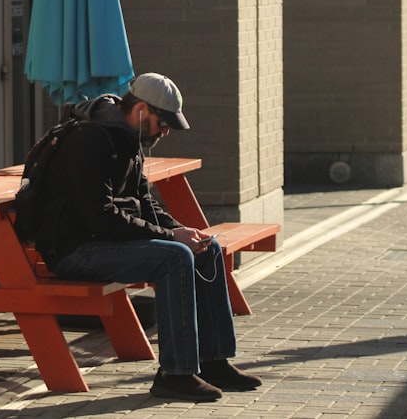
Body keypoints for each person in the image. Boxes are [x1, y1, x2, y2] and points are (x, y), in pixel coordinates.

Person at [32, 73, 260, 403]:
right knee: (174, 258)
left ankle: (213, 361)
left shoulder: (130, 140)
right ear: (140, 110)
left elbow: (145, 202)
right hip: (76, 250)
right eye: (162, 123)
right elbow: (102, 216)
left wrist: (183, 231)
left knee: (205, 249)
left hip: (107, 241)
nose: (164, 132)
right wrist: (171, 237)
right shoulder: (89, 140)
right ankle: (175, 374)